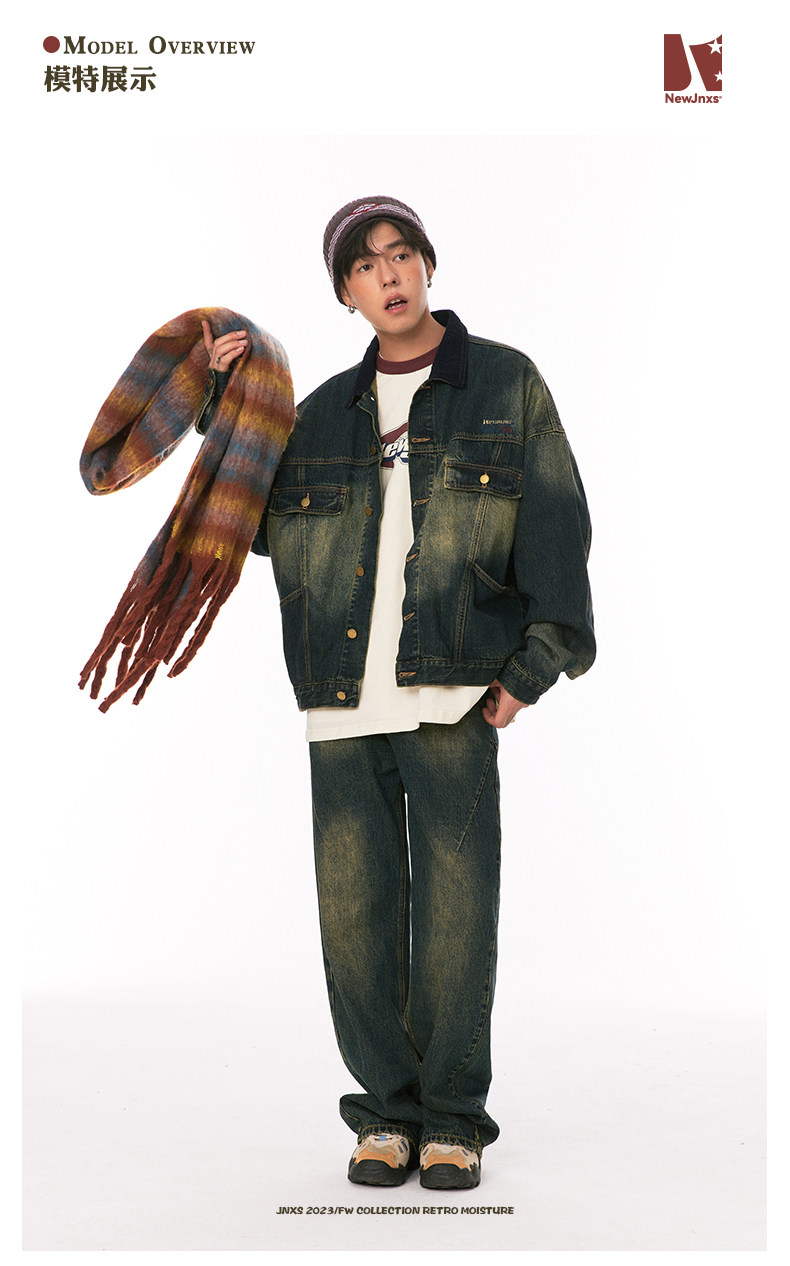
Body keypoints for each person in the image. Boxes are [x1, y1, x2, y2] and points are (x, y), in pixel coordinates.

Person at [200, 196, 595, 1190]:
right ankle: (385, 1113)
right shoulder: (318, 412)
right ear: (345, 292)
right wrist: (222, 405)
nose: (389, 274)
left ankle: (452, 1119)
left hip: (455, 692)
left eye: (401, 253)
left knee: (455, 918)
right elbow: (255, 523)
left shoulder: (504, 382)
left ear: (426, 265)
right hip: (340, 697)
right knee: (354, 922)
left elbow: (556, 520)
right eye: (365, 264)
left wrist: (531, 668)